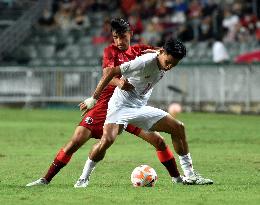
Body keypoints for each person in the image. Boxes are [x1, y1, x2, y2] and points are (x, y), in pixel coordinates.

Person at [26, 18, 182, 187]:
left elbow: (163, 54)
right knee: (76, 141)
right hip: (107, 104)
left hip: (131, 107)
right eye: (115, 37)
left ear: (130, 34)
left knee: (158, 141)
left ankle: (178, 179)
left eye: (122, 37)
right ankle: (46, 179)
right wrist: (118, 83)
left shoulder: (142, 50)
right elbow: (107, 75)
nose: (119, 41)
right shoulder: (110, 51)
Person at [78, 38, 214, 186]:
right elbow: (111, 71)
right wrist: (93, 98)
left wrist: (156, 51)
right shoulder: (143, 62)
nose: (168, 67)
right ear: (162, 53)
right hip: (120, 107)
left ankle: (190, 176)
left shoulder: (161, 55)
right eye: (168, 62)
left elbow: (160, 52)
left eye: (173, 65)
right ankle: (83, 178)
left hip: (139, 107)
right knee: (106, 141)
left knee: (178, 128)